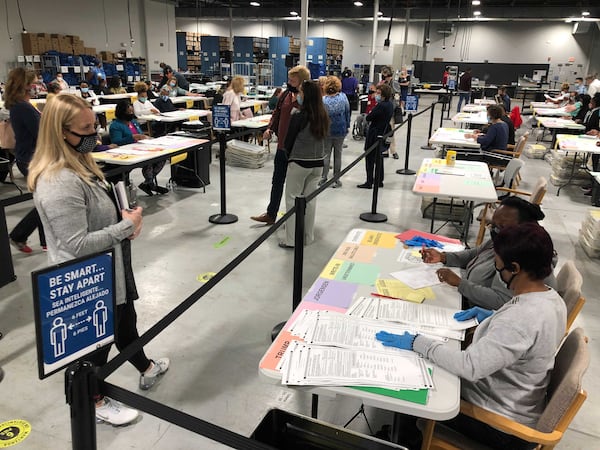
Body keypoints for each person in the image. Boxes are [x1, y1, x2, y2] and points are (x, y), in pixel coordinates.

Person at [28, 94, 170, 426]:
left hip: (111, 270)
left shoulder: (81, 163)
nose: (95, 134)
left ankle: (145, 367)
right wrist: (124, 227)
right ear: (61, 132)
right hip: (86, 280)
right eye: (86, 128)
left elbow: (95, 219)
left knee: (124, 323)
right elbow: (76, 244)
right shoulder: (57, 181)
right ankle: (91, 401)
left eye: (95, 125)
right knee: (93, 348)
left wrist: (121, 220)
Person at [378, 222, 566, 450]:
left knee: (413, 383)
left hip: (500, 425)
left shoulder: (520, 319)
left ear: (515, 268)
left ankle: (406, 441)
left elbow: (469, 367)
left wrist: (417, 341)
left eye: (499, 267)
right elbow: (525, 335)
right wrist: (493, 316)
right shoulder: (551, 298)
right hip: (514, 398)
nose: (497, 270)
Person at [421, 196, 555, 309]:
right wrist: (443, 257)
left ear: (524, 229)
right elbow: (475, 253)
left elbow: (502, 301)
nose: (495, 231)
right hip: (462, 296)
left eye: (501, 227)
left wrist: (460, 283)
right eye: (493, 225)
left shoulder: (521, 260)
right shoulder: (506, 240)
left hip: (476, 310)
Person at [250, 65, 310, 225]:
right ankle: (271, 214)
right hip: (282, 147)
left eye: (293, 80)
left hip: (297, 150)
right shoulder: (285, 95)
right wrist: (269, 128)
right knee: (277, 181)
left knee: (295, 187)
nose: (289, 82)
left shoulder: (307, 99)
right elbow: (276, 113)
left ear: (302, 81)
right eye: (289, 79)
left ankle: (295, 220)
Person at [280, 80, 329, 248]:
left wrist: (287, 155)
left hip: (299, 162)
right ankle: (308, 237)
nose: (298, 95)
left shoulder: (298, 116)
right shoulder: (323, 115)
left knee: (292, 199)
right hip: (318, 163)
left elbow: (288, 141)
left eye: (300, 93)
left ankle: (291, 240)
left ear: (306, 96)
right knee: (310, 200)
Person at [4, 68, 46, 253]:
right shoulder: (23, 107)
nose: (36, 85)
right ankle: (19, 235)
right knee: (47, 201)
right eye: (33, 82)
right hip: (32, 159)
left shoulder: (21, 105)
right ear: (26, 84)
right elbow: (40, 134)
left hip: (30, 157)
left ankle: (38, 240)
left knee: (45, 200)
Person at [109, 100, 169, 196]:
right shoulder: (115, 126)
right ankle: (149, 184)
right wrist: (132, 137)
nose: (131, 114)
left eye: (132, 112)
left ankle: (148, 182)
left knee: (161, 158)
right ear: (122, 112)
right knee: (149, 162)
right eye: (129, 112)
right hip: (126, 152)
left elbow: (140, 134)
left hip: (141, 148)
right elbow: (116, 142)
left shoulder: (133, 122)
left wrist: (147, 138)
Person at [357, 83, 393, 189]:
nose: (376, 95)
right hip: (383, 132)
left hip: (375, 133)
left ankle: (369, 181)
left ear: (383, 94)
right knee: (379, 158)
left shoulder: (381, 105)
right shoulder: (390, 104)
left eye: (378, 93)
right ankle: (379, 180)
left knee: (370, 158)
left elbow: (369, 117)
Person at [319, 76, 350, 188]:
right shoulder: (343, 97)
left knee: (326, 155)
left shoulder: (323, 100)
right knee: (338, 155)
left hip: (327, 130)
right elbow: (347, 113)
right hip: (340, 129)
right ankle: (337, 179)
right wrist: (347, 126)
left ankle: (323, 178)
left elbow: (320, 116)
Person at [378, 66, 399, 159]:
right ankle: (384, 150)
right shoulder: (382, 84)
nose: (383, 77)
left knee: (391, 132)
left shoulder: (394, 84)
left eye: (385, 75)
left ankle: (393, 150)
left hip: (391, 111)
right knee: (383, 132)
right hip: (382, 111)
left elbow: (397, 97)